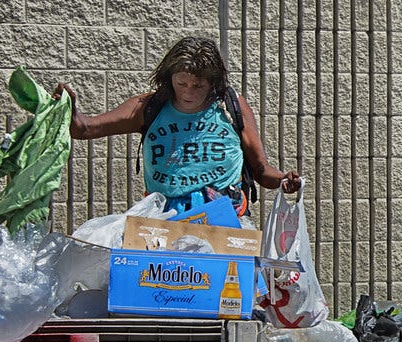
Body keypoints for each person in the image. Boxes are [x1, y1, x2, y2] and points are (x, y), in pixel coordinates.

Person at [54, 36, 300, 219]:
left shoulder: (229, 106)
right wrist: (68, 109)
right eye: (182, 83)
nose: (188, 92)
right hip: (163, 216)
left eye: (198, 86)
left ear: (213, 83)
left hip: (224, 215)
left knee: (227, 286)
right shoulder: (148, 107)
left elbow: (260, 169)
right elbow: (84, 129)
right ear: (169, 77)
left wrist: (282, 180)